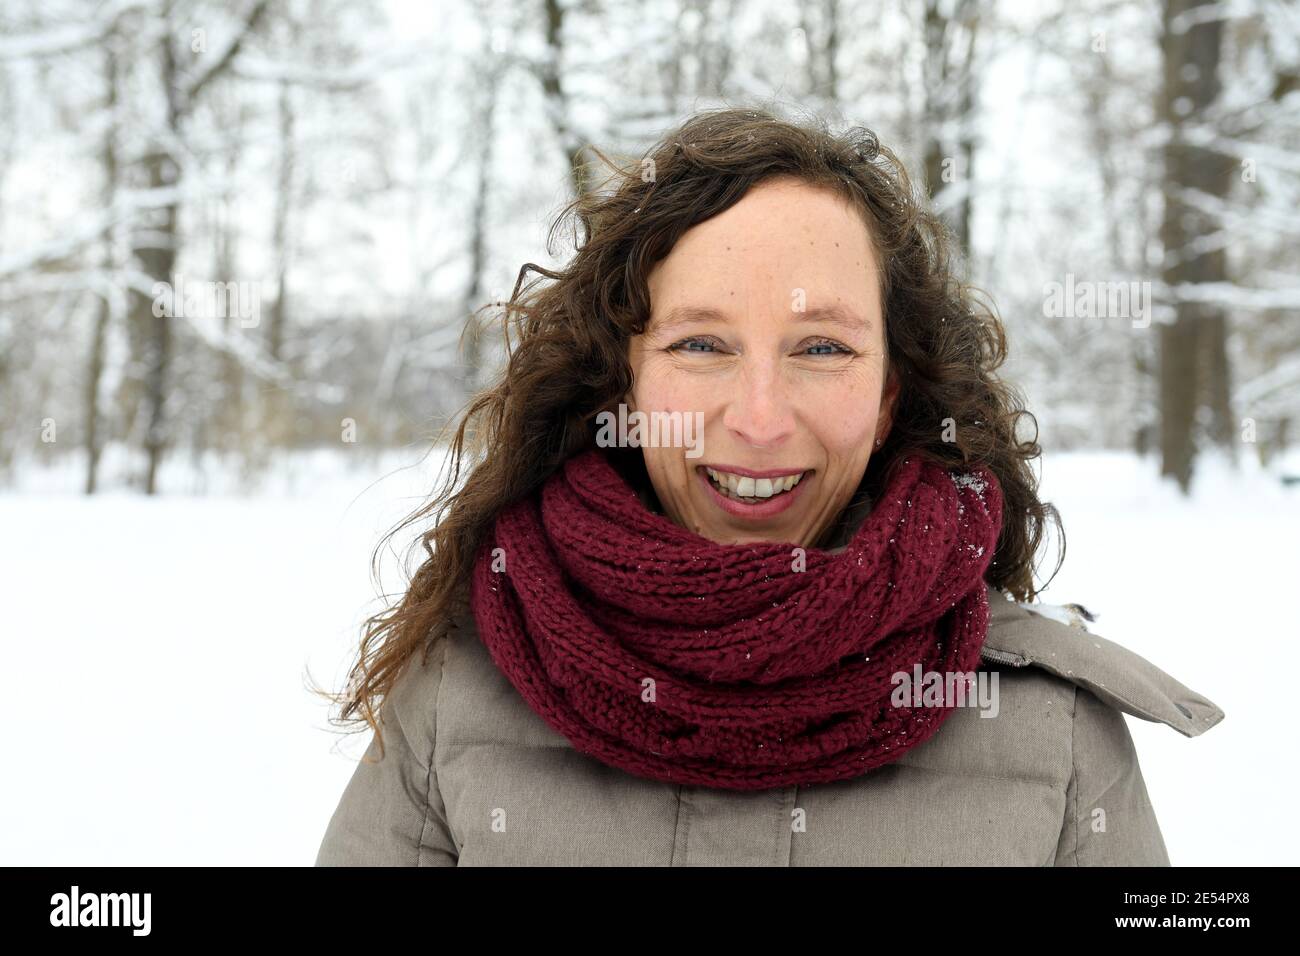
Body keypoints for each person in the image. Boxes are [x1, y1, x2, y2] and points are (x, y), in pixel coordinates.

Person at [314, 107, 1223, 866]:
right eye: (700, 345)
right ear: (623, 381)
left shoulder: (1052, 732)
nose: (758, 419)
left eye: (822, 349)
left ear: (887, 396)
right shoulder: (458, 694)